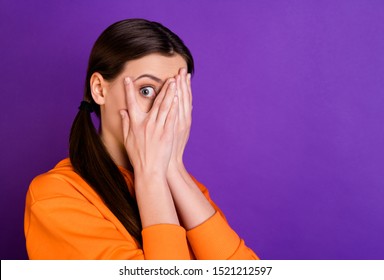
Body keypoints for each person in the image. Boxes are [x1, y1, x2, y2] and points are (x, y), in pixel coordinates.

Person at [24, 19, 259, 260]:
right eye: (147, 90)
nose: (163, 107)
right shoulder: (55, 197)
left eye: (174, 94)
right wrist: (152, 175)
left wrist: (173, 169)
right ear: (99, 89)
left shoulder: (186, 189)